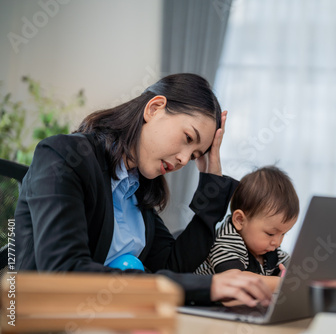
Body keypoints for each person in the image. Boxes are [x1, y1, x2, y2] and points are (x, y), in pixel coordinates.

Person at [15, 73, 272, 307]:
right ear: (155, 108)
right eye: (187, 138)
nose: (184, 160)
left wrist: (211, 179)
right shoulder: (63, 156)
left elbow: (174, 264)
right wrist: (208, 285)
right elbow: (65, 272)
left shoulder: (136, 186)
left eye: (194, 155)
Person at [195, 166, 299, 291]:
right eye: (270, 234)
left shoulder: (270, 250)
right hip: (198, 307)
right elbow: (234, 282)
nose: (277, 242)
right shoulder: (226, 241)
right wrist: (280, 283)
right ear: (239, 220)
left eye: (283, 234)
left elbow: (295, 273)